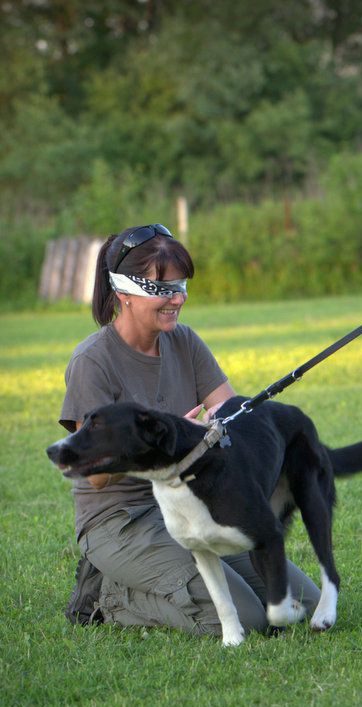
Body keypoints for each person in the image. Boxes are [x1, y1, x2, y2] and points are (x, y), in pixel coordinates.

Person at [59, 224, 321, 636]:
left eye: (181, 285)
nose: (177, 298)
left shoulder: (185, 342)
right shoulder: (93, 362)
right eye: (161, 287)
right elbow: (93, 475)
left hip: (192, 507)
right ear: (123, 292)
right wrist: (167, 438)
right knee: (249, 621)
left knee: (304, 603)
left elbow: (232, 416)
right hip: (122, 519)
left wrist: (218, 429)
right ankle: (109, 597)